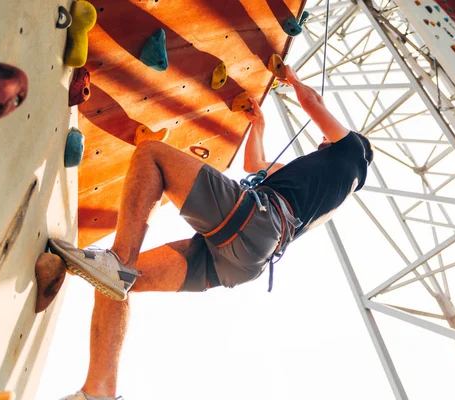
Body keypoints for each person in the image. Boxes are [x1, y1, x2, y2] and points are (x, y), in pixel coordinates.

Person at [52, 65, 373, 400]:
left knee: (151, 155)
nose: (323, 137)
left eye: (329, 137)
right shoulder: (326, 192)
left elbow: (313, 104)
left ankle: (115, 260)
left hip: (259, 223)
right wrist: (258, 126)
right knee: (121, 283)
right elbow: (254, 166)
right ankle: (98, 391)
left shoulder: (353, 153)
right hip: (249, 259)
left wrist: (291, 78)